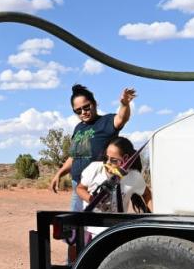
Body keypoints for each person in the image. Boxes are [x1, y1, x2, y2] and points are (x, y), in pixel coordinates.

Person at [50, 83, 136, 211]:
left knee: (96, 224)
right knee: (76, 225)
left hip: (98, 186)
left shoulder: (106, 122)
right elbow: (74, 156)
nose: (83, 112)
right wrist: (59, 174)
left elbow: (121, 118)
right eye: (78, 111)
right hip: (77, 185)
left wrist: (124, 104)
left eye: (86, 107)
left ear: (94, 103)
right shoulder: (79, 128)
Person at [76, 136, 152, 238]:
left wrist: (151, 215)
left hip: (117, 231)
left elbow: (147, 194)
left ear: (125, 159)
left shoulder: (134, 176)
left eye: (113, 160)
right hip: (91, 230)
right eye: (106, 157)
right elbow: (80, 188)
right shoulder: (95, 168)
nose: (107, 162)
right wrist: (93, 200)